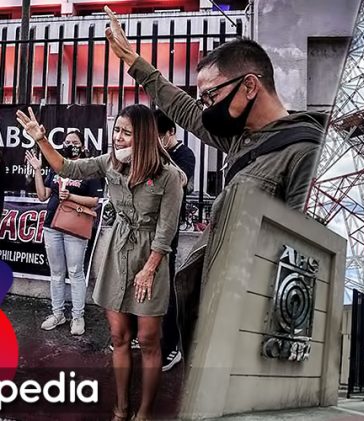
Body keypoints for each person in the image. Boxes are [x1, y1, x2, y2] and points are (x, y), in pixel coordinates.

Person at [104, 6, 326, 360]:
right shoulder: (242, 139)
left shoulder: (305, 153)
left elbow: (303, 268)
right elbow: (186, 110)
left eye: (211, 96)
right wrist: (135, 63)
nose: (206, 107)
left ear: (249, 86)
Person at [17, 105, 184, 421]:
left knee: (148, 340)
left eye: (126, 132)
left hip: (150, 258)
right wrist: (40, 139)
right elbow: (65, 167)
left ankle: (144, 413)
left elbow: (166, 232)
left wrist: (149, 269)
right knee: (119, 337)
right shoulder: (109, 163)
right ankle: (121, 409)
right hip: (116, 253)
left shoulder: (169, 176)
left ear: (144, 136)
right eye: (116, 130)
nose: (118, 137)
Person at [25, 131, 100, 336]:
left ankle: (78, 316)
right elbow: (43, 196)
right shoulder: (56, 166)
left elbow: (94, 201)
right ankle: (58, 314)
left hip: (75, 227)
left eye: (75, 142)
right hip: (52, 226)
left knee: (75, 272)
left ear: (82, 146)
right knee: (56, 273)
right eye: (67, 141)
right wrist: (38, 170)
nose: (70, 145)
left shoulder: (88, 168)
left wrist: (71, 196)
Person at [154, 109, 195, 371]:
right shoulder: (153, 153)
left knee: (166, 288)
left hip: (167, 229)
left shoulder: (184, 154)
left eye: (160, 136)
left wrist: (161, 155)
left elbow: (181, 181)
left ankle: (171, 347)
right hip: (147, 224)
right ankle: (137, 334)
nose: (156, 141)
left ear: (171, 132)